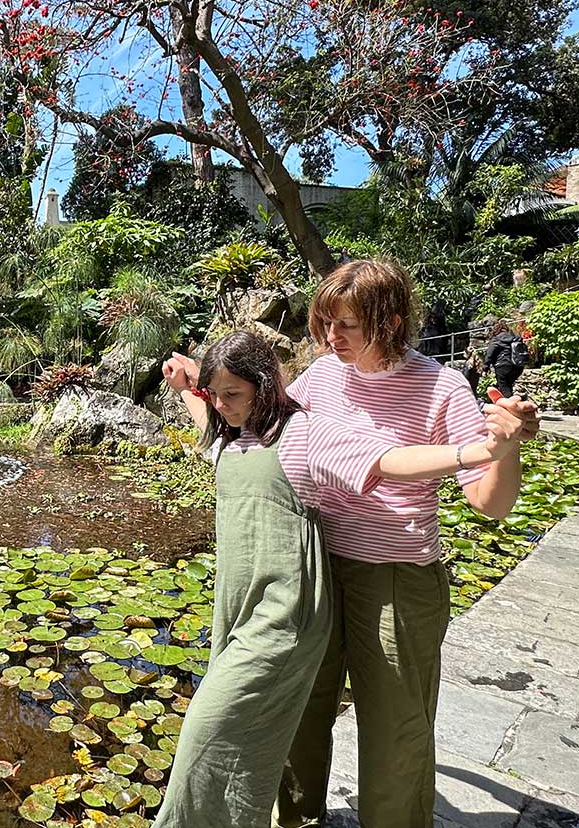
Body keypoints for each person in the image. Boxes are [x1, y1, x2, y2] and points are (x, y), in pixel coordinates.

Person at [151, 330, 522, 828]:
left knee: (207, 725)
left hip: (284, 615)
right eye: (216, 396)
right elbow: (212, 418)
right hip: (239, 611)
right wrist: (189, 390)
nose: (222, 405)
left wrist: (479, 453)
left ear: (264, 386)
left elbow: (390, 460)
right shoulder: (229, 437)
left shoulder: (304, 434)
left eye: (233, 395)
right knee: (261, 728)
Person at [271, 260, 538, 828]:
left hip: (394, 574)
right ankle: (295, 818)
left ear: (390, 320)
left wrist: (506, 447)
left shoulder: (441, 388)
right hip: (315, 562)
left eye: (346, 325)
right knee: (302, 703)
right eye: (325, 324)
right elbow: (271, 435)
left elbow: (491, 503)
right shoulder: (322, 375)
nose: (330, 338)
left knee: (396, 728)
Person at [483, 318, 529, 399]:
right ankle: (515, 403)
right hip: (518, 366)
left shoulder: (496, 339)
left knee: (505, 389)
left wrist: (485, 368)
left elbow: (489, 354)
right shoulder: (516, 338)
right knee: (508, 386)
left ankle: (511, 407)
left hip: (503, 367)